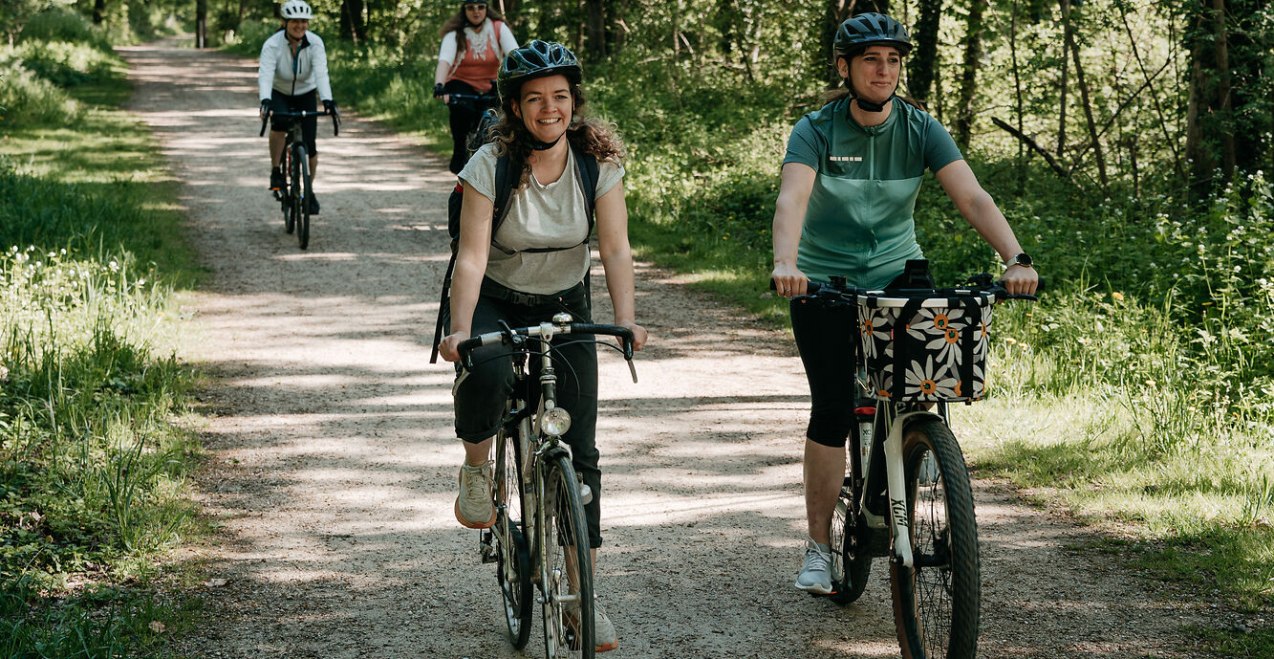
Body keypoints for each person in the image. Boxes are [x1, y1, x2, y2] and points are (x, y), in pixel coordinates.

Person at [769, 12, 1039, 594]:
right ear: (845, 68)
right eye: (871, 59)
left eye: (892, 59)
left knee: (921, 394)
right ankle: (818, 547)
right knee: (835, 407)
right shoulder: (815, 130)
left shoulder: (920, 127)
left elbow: (972, 197)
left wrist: (1016, 259)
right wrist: (786, 264)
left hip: (897, 277)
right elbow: (793, 198)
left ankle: (910, 456)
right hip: (823, 284)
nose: (883, 70)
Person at [437, 40, 648, 652]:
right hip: (499, 294)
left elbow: (614, 250)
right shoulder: (490, 165)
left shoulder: (596, 165)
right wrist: (461, 330)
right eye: (535, 99)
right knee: (488, 370)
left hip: (565, 300)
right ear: (515, 107)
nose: (548, 109)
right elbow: (471, 256)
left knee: (580, 450)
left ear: (573, 103)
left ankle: (585, 599)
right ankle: (478, 470)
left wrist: (626, 322)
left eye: (559, 97)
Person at [258, 0, 335, 214]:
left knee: (309, 144)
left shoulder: (315, 43)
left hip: (306, 92)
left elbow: (321, 73)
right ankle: (276, 170)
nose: (299, 26)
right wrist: (265, 100)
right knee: (279, 124)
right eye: (294, 21)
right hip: (279, 91)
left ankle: (309, 190)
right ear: (285, 22)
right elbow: (265, 75)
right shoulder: (272, 45)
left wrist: (327, 99)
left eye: (303, 21)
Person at [433, 1, 518, 174]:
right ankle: (459, 153)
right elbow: (445, 61)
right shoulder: (455, 33)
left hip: (493, 84)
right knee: (461, 111)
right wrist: (439, 85)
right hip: (462, 83)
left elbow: (514, 55)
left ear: (487, 9)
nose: (476, 12)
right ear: (464, 11)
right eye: (471, 8)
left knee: (502, 120)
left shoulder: (498, 28)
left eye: (481, 7)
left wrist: (521, 79)